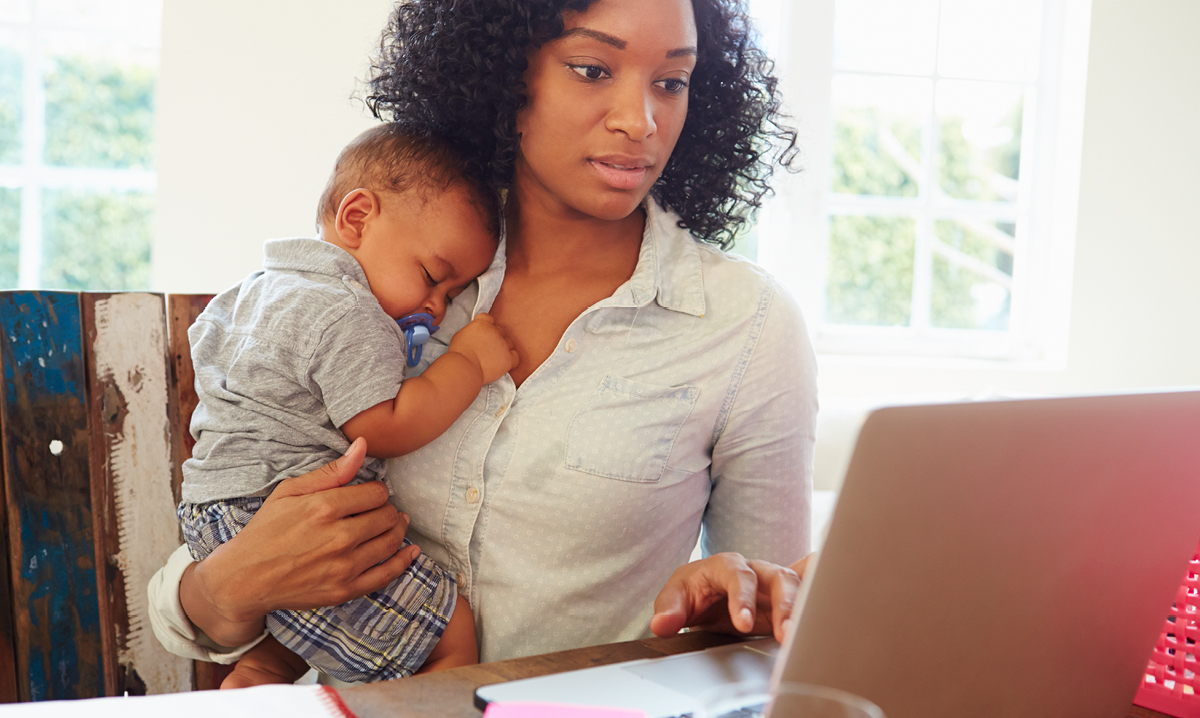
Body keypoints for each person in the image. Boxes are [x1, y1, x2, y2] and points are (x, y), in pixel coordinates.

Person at [147, 0, 818, 682]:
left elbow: (768, 635)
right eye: (592, 70)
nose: (639, 120)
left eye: (671, 83)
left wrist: (725, 612)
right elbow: (209, 574)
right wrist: (227, 589)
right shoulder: (394, 269)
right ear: (505, 73)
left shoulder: (747, 325)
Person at [174, 125, 519, 686]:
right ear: (357, 218)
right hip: (275, 511)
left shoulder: (254, 290)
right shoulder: (349, 311)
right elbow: (384, 426)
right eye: (433, 277)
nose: (436, 307)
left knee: (310, 623)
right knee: (450, 633)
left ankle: (261, 670)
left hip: (216, 511)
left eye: (453, 295)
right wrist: (469, 363)